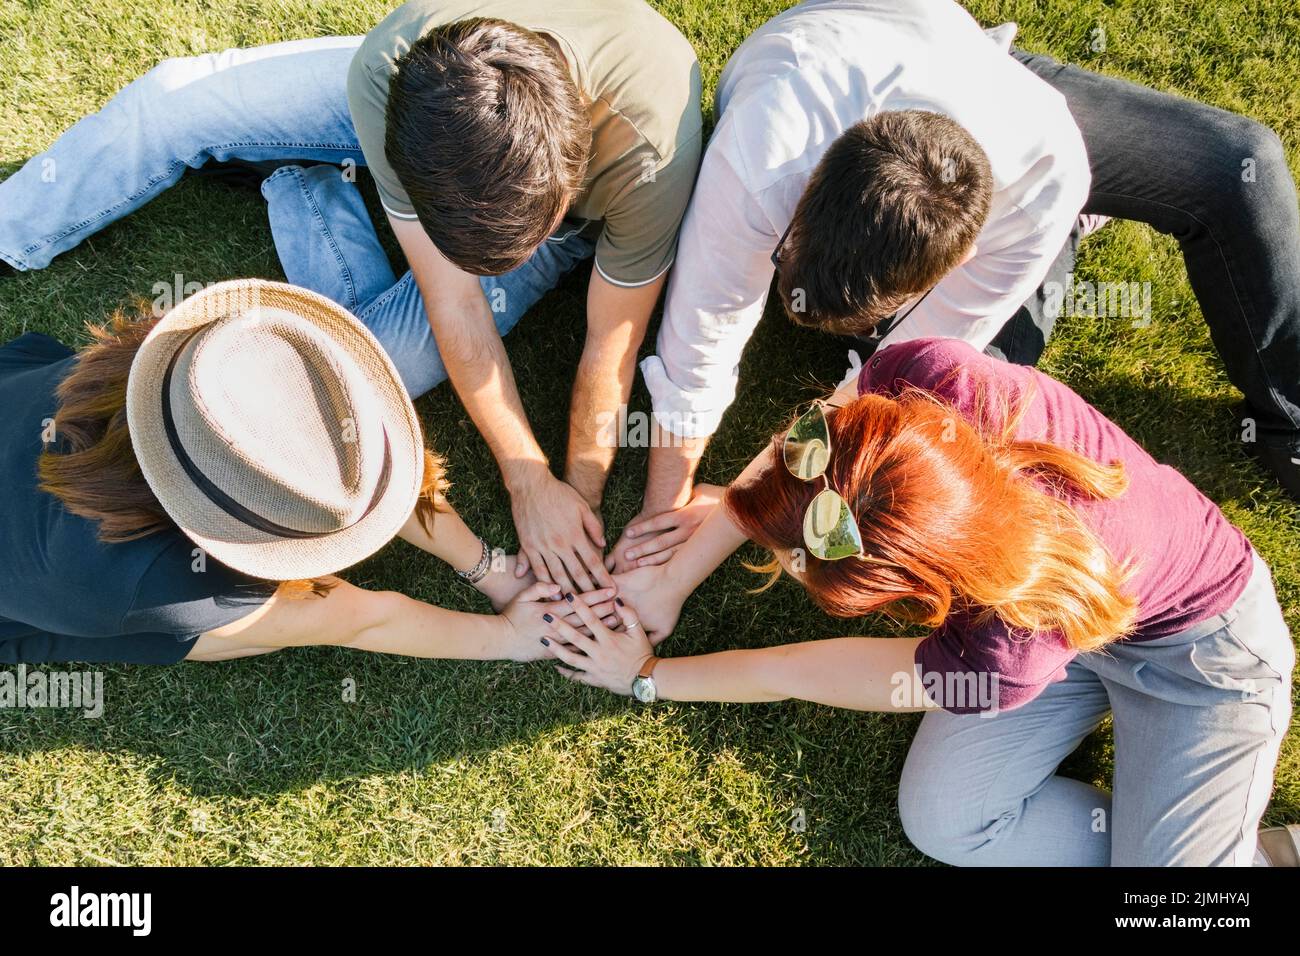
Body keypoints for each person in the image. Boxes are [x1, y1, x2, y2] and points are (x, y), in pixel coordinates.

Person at [0, 0, 705, 596]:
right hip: (441, 117)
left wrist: (564, 492)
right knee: (166, 104)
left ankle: (300, 182)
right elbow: (453, 301)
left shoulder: (650, 158)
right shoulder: (396, 69)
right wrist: (524, 486)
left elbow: (611, 347)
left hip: (553, 183)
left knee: (366, 377)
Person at [612, 0, 1300, 573]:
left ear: (964, 253)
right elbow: (703, 335)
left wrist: (737, 509)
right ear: (810, 193)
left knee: (1240, 163)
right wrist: (663, 514)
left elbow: (891, 375)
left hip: (1008, 109)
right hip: (870, 63)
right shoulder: (763, 155)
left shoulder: (1039, 181)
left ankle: (1288, 424)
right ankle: (1066, 238)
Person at [568, 337, 1295, 866]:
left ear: (915, 591)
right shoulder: (928, 376)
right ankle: (1177, 835)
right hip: (1068, 615)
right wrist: (678, 574)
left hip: (1199, 661)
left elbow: (795, 671)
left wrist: (647, 677)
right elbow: (816, 435)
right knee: (946, 823)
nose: (779, 565)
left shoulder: (1001, 651)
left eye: (793, 561)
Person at [0, 279, 613, 664]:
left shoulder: (213, 359)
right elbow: (362, 618)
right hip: (39, 594)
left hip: (20, 398)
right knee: (213, 635)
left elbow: (368, 472)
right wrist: (510, 638)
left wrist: (491, 569)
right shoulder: (170, 587)